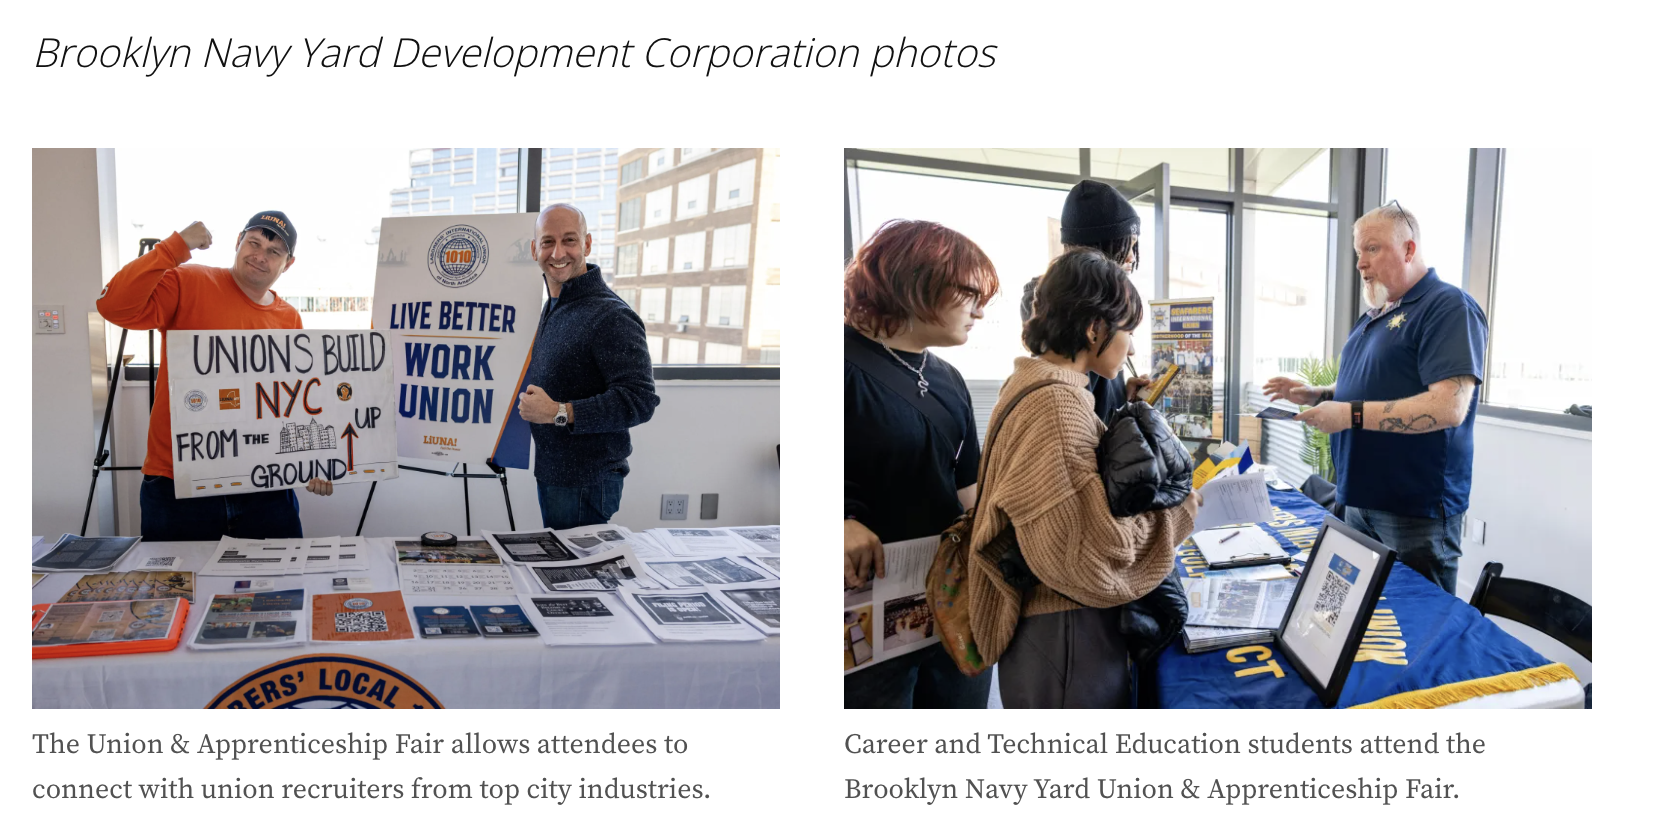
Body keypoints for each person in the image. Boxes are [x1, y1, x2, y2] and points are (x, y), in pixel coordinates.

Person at [968, 249, 1200, 708]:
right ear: (1095, 328)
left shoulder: (1037, 385)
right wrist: (1179, 513)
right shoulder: (1058, 406)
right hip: (1065, 632)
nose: (1132, 348)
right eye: (1128, 331)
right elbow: (1092, 553)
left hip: (1053, 630)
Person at [1263, 201, 1486, 593]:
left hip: (1412, 512)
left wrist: (1349, 415)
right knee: (1359, 620)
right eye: (1357, 252)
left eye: (1372, 249)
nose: (1360, 264)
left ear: (1409, 249)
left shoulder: (1448, 308)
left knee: (1414, 626)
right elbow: (1374, 385)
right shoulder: (1377, 314)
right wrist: (1316, 394)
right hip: (1358, 499)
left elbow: (1448, 407)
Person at [96, 212, 333, 542]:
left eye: (274, 252)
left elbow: (291, 402)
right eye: (254, 243)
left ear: (287, 264)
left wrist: (311, 458)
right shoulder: (188, 281)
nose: (260, 256)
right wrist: (175, 247)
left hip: (264, 486)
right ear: (238, 242)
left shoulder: (288, 318)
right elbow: (114, 307)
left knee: (278, 585)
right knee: (176, 588)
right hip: (179, 481)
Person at [844, 219, 998, 709]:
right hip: (863, 604)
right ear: (915, 281)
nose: (978, 312)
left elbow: (967, 488)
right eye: (970, 293)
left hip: (951, 600)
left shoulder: (949, 377)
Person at [516, 204, 659, 530]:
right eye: (548, 241)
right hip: (556, 473)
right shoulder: (556, 304)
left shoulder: (609, 316)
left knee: (578, 580)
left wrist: (557, 412)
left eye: (569, 240)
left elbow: (639, 401)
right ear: (534, 248)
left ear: (588, 244)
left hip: (585, 482)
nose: (558, 252)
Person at [1019, 180, 1152, 421]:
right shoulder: (1044, 297)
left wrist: (1122, 394)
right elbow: (1072, 386)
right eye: (1125, 245)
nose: (1132, 256)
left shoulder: (1108, 294)